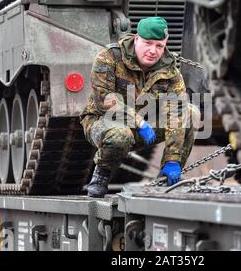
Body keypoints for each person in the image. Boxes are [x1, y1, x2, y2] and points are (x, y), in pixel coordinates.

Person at [80, 16, 200, 198]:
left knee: (191, 113)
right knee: (121, 135)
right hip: (102, 122)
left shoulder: (169, 71)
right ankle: (101, 176)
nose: (153, 51)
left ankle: (165, 180)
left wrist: (173, 158)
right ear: (136, 39)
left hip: (146, 126)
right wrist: (139, 123)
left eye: (159, 46)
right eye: (148, 43)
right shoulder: (110, 57)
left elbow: (177, 111)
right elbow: (104, 99)